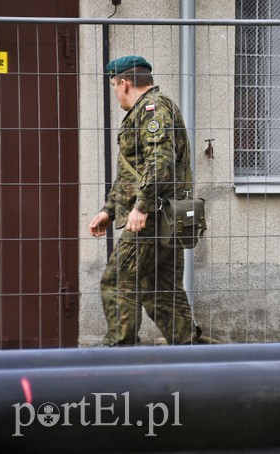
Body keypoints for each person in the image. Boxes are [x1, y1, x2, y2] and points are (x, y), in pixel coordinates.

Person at [89, 55, 213, 345]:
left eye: (115, 86)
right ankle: (191, 355)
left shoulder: (152, 109)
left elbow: (160, 163)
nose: (116, 93)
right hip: (161, 214)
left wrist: (141, 208)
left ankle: (121, 353)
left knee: (118, 280)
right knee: (160, 289)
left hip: (154, 216)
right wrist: (109, 211)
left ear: (124, 83)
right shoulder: (146, 112)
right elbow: (133, 170)